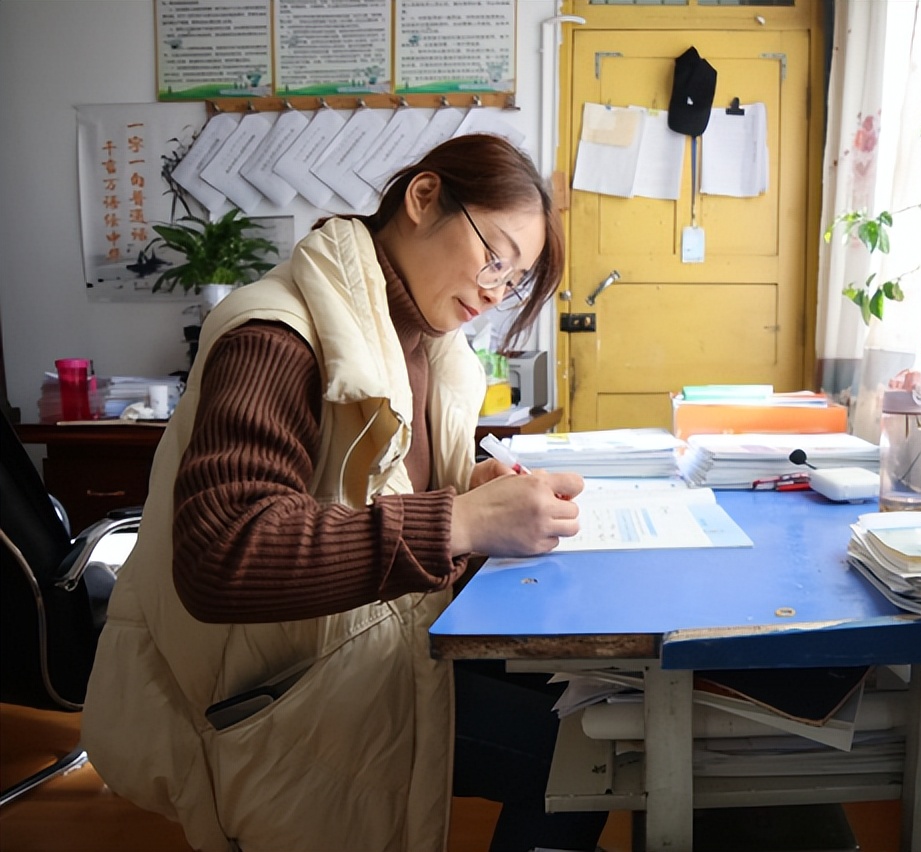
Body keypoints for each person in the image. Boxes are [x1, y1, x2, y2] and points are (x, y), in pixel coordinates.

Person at [82, 134, 607, 852]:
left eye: (511, 280)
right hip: (280, 691)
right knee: (591, 753)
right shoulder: (279, 334)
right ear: (424, 199)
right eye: (495, 256)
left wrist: (467, 498)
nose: (494, 291)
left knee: (593, 702)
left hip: (368, 646)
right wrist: (454, 520)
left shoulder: (424, 346)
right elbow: (224, 555)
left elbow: (378, 503)